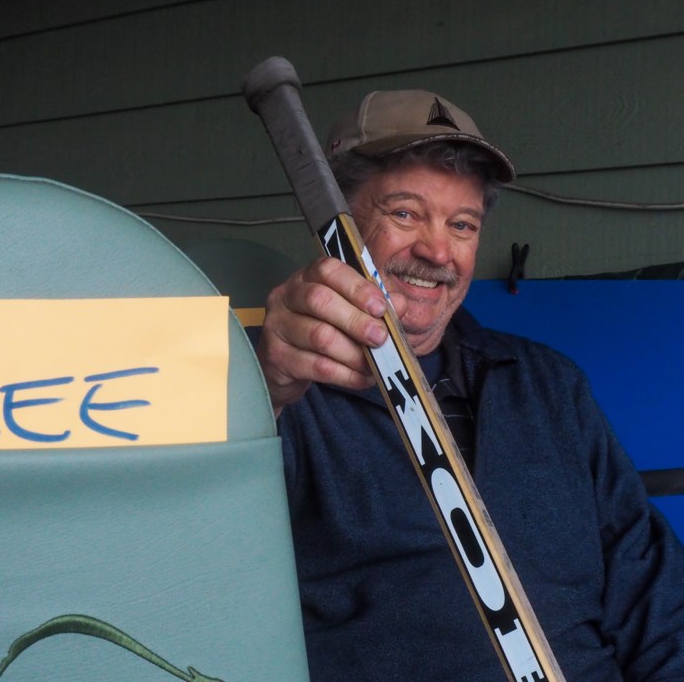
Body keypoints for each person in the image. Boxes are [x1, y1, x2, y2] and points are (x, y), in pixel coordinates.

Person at [252, 90, 684, 681]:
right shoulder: (276, 395)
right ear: (335, 229)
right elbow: (194, 570)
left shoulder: (549, 386)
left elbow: (654, 595)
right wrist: (263, 391)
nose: (436, 251)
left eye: (462, 224)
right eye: (405, 213)